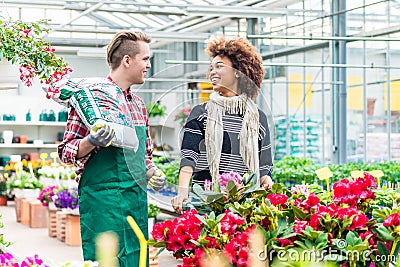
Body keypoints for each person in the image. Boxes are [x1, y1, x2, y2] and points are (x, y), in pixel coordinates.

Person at [58, 31, 166, 266]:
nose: (149, 65)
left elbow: (145, 155)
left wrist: (152, 173)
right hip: (102, 202)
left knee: (136, 258)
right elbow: (65, 151)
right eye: (145, 59)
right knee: (107, 260)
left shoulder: (138, 105)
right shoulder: (92, 99)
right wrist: (91, 141)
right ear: (127, 61)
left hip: (134, 200)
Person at [171, 37, 273, 214]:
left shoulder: (258, 118)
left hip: (245, 204)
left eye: (219, 66)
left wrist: (266, 184)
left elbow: (265, 166)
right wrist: (182, 192)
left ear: (237, 72)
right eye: (211, 67)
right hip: (206, 202)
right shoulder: (201, 113)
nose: (212, 72)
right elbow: (189, 157)